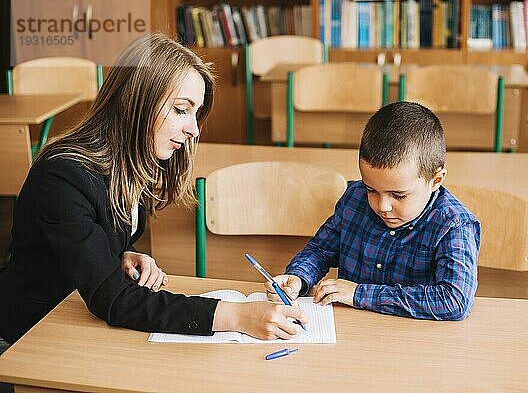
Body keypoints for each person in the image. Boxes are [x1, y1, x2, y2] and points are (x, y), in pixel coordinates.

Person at [0, 33, 306, 346]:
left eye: (195, 113)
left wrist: (118, 254)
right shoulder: (62, 176)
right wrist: (238, 316)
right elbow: (114, 299)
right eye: (181, 109)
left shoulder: (135, 161)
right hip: (28, 335)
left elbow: (82, 243)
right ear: (136, 101)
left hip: (76, 321)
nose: (194, 129)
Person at [265, 101, 480, 320]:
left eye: (399, 195)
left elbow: (453, 301)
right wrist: (298, 277)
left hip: (414, 342)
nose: (382, 206)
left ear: (435, 180)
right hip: (352, 331)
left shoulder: (454, 225)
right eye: (372, 190)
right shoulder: (354, 198)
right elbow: (321, 250)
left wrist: (359, 293)